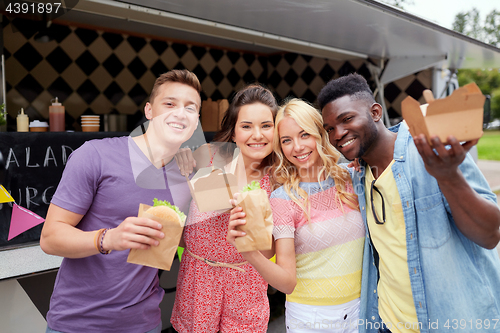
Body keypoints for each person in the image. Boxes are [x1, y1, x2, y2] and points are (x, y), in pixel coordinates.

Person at [318, 73, 500, 333]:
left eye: (347, 119)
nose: (338, 134)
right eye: (330, 129)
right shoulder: (358, 175)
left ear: (376, 112)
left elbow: (490, 234)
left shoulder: (429, 151)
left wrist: (449, 177)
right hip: (388, 323)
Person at [40, 69, 202, 333]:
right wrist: (108, 239)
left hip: (144, 324)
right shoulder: (95, 155)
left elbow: (185, 242)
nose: (180, 113)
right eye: (169, 104)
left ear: (196, 122)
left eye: (190, 108)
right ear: (149, 111)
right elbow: (50, 238)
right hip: (77, 324)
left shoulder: (189, 176)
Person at [227, 99, 365, 332]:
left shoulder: (351, 177)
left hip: (361, 310)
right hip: (311, 319)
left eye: (304, 135)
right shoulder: (283, 199)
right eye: (287, 141)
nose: (297, 147)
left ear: (320, 134)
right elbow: (287, 283)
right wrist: (249, 252)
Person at [170, 84, 279, 333]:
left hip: (246, 285)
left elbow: (271, 249)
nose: (257, 135)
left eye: (266, 125)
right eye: (246, 126)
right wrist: (178, 159)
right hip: (198, 281)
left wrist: (250, 228)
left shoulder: (277, 178)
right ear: (232, 132)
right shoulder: (207, 156)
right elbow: (176, 213)